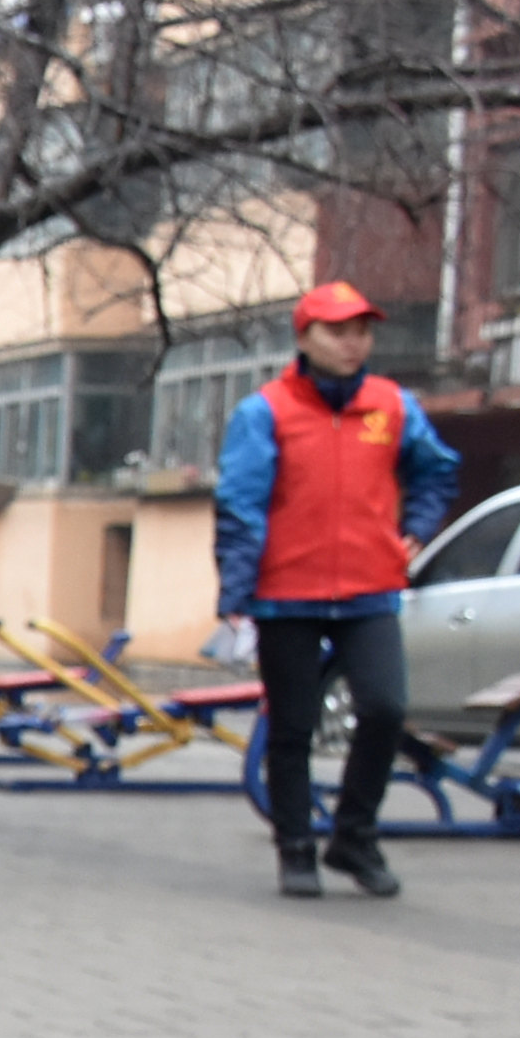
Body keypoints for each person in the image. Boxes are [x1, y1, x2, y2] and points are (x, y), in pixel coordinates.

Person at [217, 282, 460, 900]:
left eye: (362, 331)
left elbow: (437, 471)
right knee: (293, 728)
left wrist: (416, 531)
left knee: (384, 708)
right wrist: (236, 597)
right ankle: (295, 848)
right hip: (285, 592)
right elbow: (240, 506)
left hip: (369, 588)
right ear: (304, 338)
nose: (353, 343)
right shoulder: (265, 412)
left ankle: (353, 834)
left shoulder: (393, 406)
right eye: (337, 331)